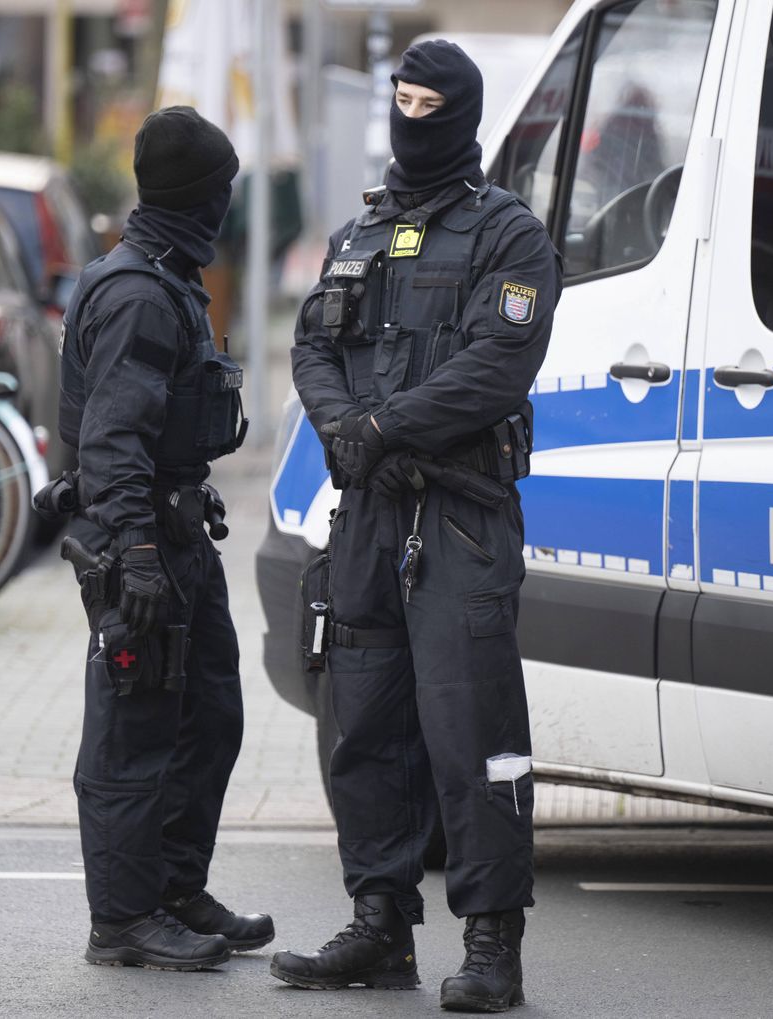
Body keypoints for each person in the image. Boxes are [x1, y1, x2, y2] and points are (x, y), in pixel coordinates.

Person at [271, 40, 562, 1012]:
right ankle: (378, 921)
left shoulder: (506, 235)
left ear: (462, 114)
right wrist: (342, 432)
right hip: (366, 509)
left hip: (460, 510)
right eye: (400, 98)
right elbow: (313, 344)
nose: (410, 115)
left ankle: (492, 941)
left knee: (473, 726)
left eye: (427, 102)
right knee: (362, 720)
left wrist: (383, 426)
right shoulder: (360, 232)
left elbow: (495, 365)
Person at [54, 106, 272, 971]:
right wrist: (136, 553)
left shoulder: (165, 274)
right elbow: (111, 441)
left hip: (177, 535)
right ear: (198, 197)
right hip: (138, 544)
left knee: (208, 715)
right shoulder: (142, 294)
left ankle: (178, 888)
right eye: (221, 191)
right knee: (133, 736)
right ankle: (125, 918)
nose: (226, 206)